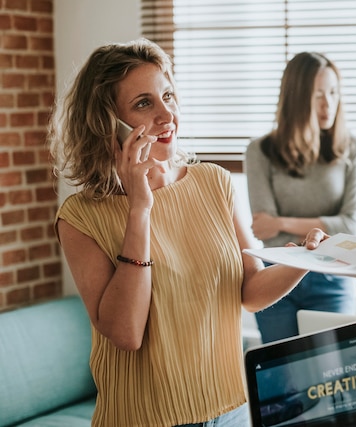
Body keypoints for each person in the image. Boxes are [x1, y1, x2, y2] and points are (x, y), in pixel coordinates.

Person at [48, 38, 329, 427]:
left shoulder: (215, 182)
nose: (167, 115)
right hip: (144, 419)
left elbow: (250, 291)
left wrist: (304, 259)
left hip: (230, 409)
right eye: (144, 103)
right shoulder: (80, 218)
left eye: (168, 96)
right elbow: (126, 332)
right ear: (106, 124)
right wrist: (140, 208)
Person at [244, 51, 356, 343]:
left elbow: (351, 225)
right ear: (297, 98)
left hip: (331, 274)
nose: (329, 104)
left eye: (334, 92)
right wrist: (324, 227)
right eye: (317, 96)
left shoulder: (352, 147)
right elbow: (264, 227)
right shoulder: (260, 151)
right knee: (282, 378)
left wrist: (282, 222)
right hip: (276, 272)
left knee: (333, 373)